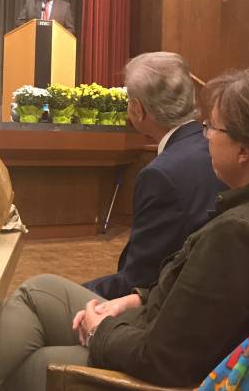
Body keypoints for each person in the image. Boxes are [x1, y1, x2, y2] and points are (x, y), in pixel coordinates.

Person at [0, 67, 249, 391]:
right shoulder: (237, 218)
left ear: (243, 150)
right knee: (38, 291)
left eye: (211, 127)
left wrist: (99, 331)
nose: (205, 137)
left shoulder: (236, 235)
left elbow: (164, 359)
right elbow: (204, 303)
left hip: (154, 364)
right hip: (148, 321)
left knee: (34, 362)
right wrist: (136, 299)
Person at [84, 51, 225, 299]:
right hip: (211, 294)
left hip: (163, 305)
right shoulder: (218, 148)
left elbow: (138, 280)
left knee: (37, 294)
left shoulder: (161, 175)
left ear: (137, 110)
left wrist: (81, 290)